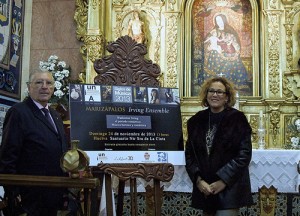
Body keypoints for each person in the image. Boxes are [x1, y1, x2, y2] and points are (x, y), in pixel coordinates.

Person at [0, 70, 68, 216]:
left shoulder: (55, 115)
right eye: (39, 82)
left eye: (49, 83)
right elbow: (7, 156)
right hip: (28, 197)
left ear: (53, 88)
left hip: (53, 194)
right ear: (29, 87)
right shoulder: (18, 112)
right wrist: (13, 192)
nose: (44, 86)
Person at [185, 77, 253, 216]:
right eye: (211, 91)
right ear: (206, 94)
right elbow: (189, 155)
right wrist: (198, 181)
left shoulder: (237, 119)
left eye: (220, 92)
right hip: (205, 189)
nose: (215, 95)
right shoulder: (196, 120)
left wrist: (223, 181)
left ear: (227, 97)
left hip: (229, 188)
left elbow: (244, 154)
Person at [199, 14, 252, 96]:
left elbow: (236, 45)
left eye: (220, 20)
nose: (219, 22)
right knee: (215, 54)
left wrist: (232, 49)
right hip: (216, 53)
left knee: (236, 61)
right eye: (217, 21)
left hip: (230, 53)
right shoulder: (213, 32)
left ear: (224, 20)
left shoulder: (231, 32)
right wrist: (214, 48)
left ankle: (235, 84)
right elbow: (206, 44)